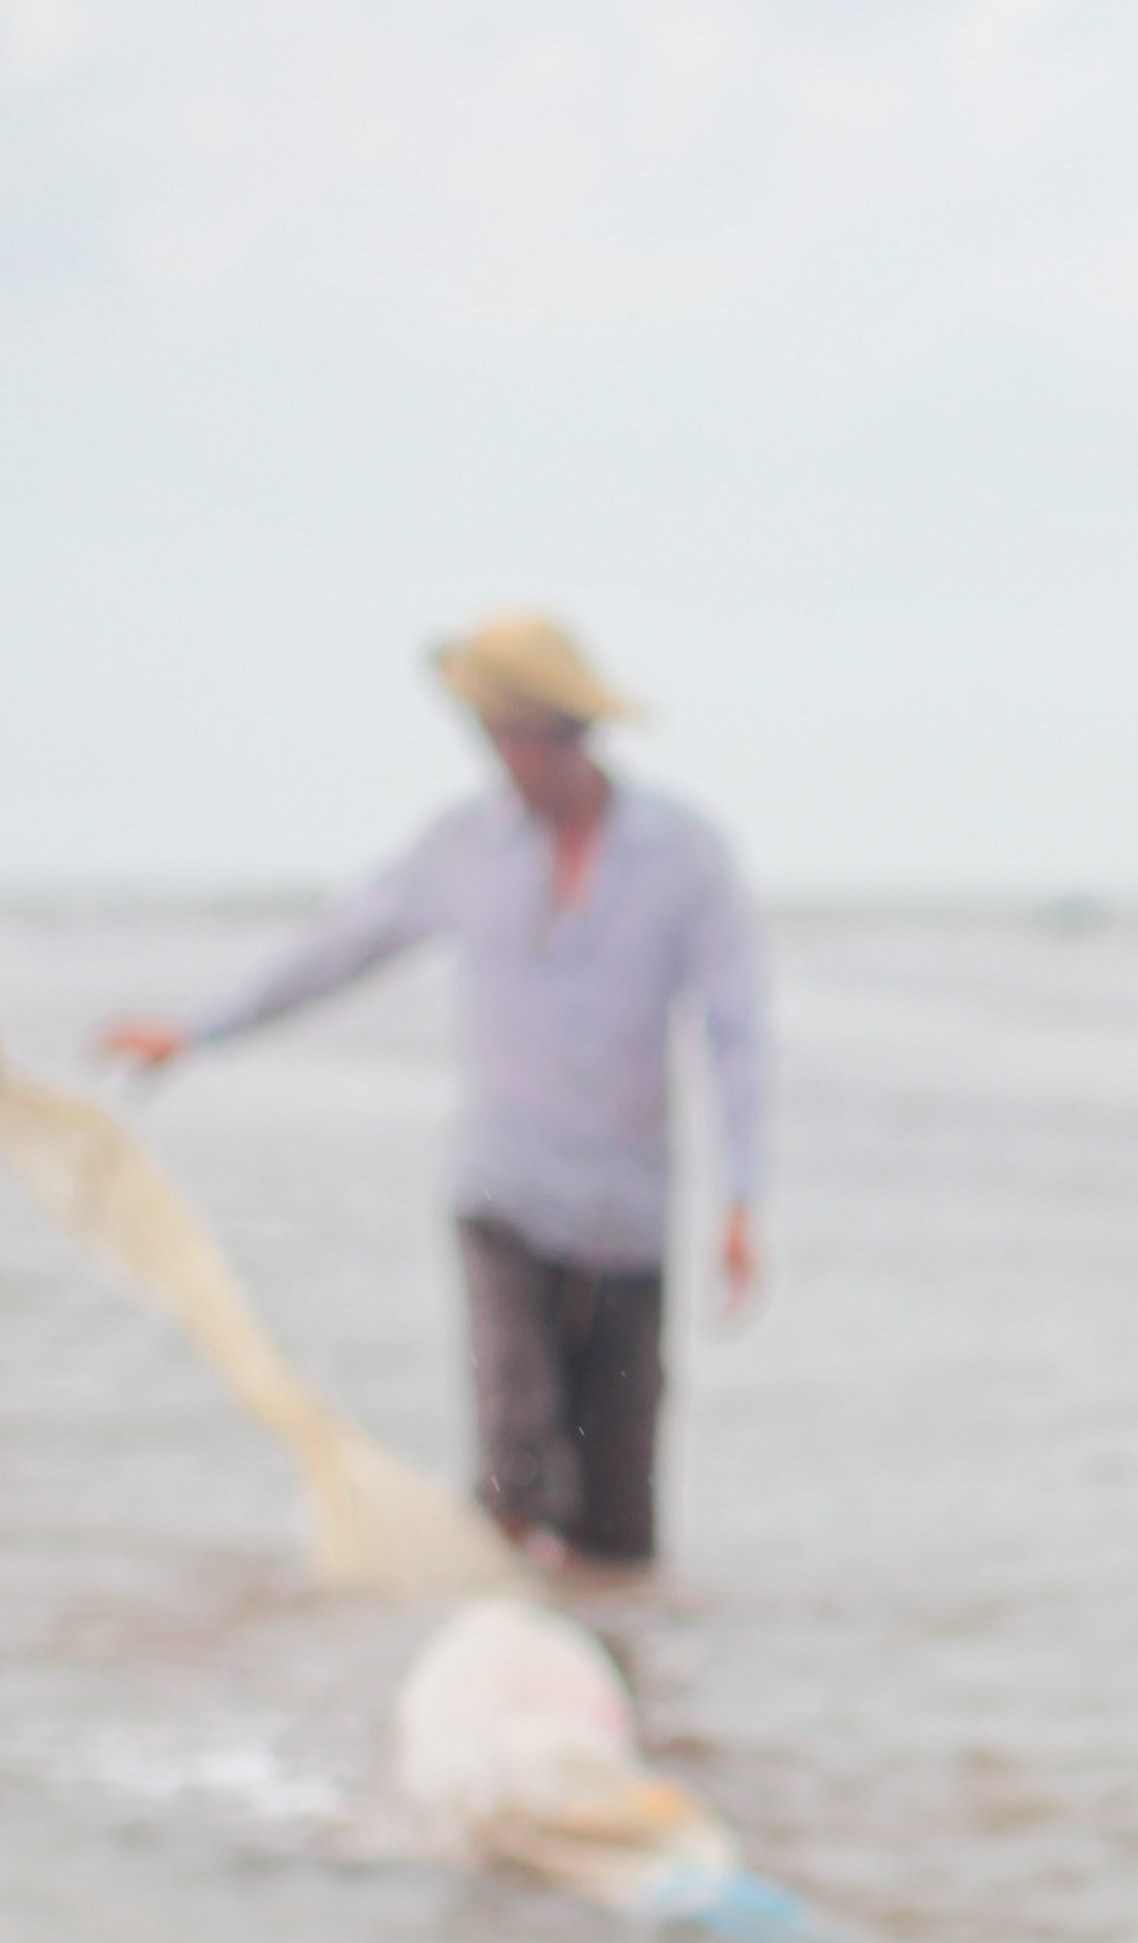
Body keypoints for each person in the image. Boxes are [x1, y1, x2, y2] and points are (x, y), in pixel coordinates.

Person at [102, 612, 768, 1577]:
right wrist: (200, 1032)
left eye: (520, 734)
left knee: (620, 1517)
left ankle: (628, 1692)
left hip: (629, 1216)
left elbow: (737, 1032)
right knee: (515, 1465)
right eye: (491, 735)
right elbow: (341, 949)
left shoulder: (685, 855)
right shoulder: (462, 850)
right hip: (505, 1198)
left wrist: (742, 1198)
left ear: (571, 732)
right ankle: (500, 1678)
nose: (504, 758)